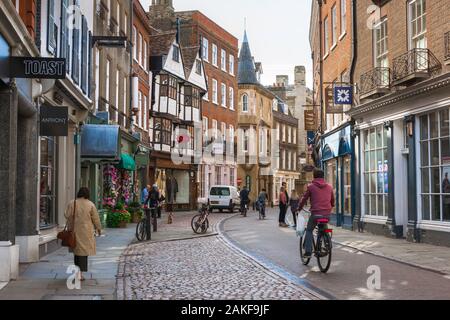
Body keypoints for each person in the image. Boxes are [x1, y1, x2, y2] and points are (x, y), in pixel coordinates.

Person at [64, 187, 102, 281]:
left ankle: (78, 273)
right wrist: (99, 229)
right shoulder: (90, 204)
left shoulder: (72, 203)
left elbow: (66, 214)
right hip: (86, 232)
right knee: (83, 253)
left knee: (77, 253)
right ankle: (79, 274)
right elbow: (96, 219)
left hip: (74, 231)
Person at [297, 168, 335, 258]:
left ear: (314, 176)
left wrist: (299, 208)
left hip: (316, 214)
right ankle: (327, 243)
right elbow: (332, 200)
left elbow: (304, 199)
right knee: (324, 227)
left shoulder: (311, 186)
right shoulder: (329, 187)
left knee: (309, 230)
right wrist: (331, 206)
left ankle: (308, 252)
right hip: (327, 214)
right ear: (323, 176)